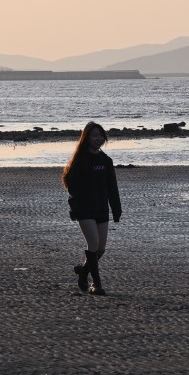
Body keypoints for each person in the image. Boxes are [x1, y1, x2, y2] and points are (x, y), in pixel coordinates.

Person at [62, 122, 122, 295]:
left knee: (101, 248)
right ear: (86, 138)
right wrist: (75, 207)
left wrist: (116, 210)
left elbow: (113, 188)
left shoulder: (106, 161)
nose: (98, 138)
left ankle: (83, 271)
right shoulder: (80, 161)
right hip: (85, 209)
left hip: (101, 208)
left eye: (101, 135)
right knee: (93, 244)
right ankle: (96, 284)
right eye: (94, 135)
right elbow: (73, 188)